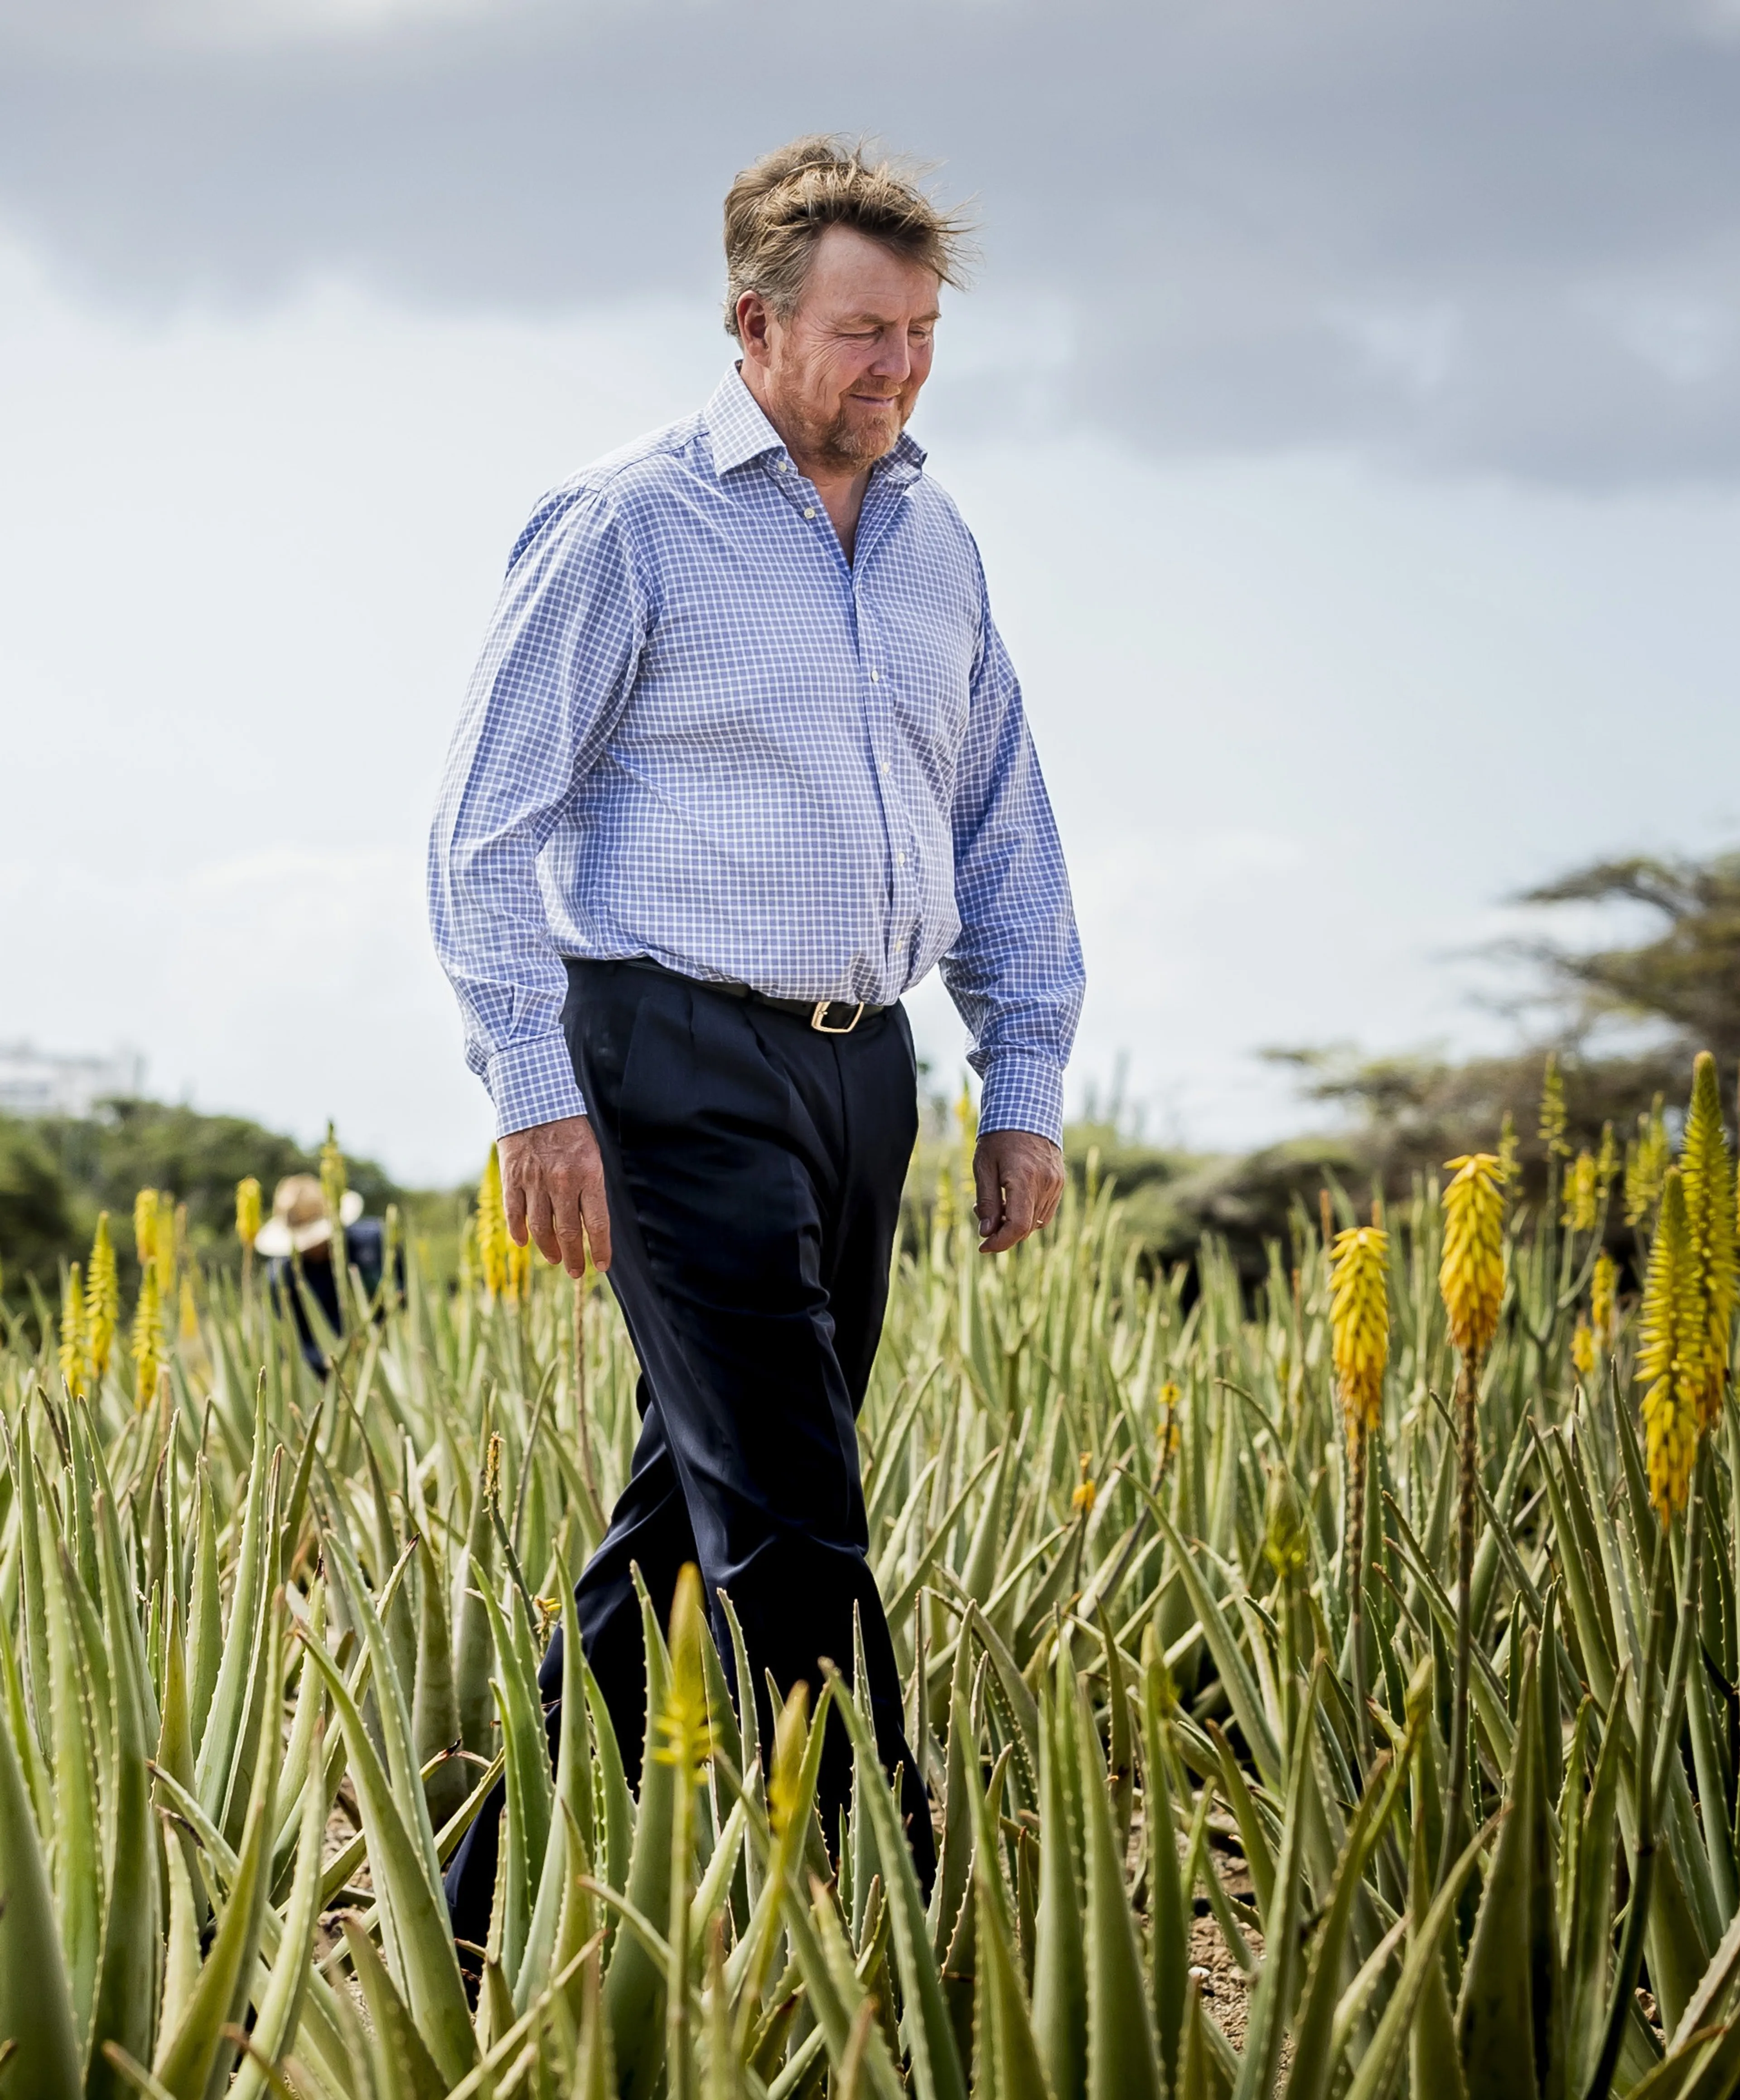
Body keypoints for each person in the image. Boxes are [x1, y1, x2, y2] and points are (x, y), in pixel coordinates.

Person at [429, 135, 1084, 1935]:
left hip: (861, 1069)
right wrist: (538, 1098)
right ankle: (909, 1921)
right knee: (795, 1512)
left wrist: (1018, 1089)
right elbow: (485, 828)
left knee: (684, 1528)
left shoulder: (942, 538)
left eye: (925, 333)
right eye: (867, 333)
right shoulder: (628, 522)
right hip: (668, 1056)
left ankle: (476, 1920)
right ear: (756, 324)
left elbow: (1003, 825)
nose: (900, 368)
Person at [255, 1173, 385, 1371]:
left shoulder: (373, 1244)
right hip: (323, 1376)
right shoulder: (281, 1277)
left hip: (384, 1356)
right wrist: (330, 1360)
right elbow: (285, 1342)